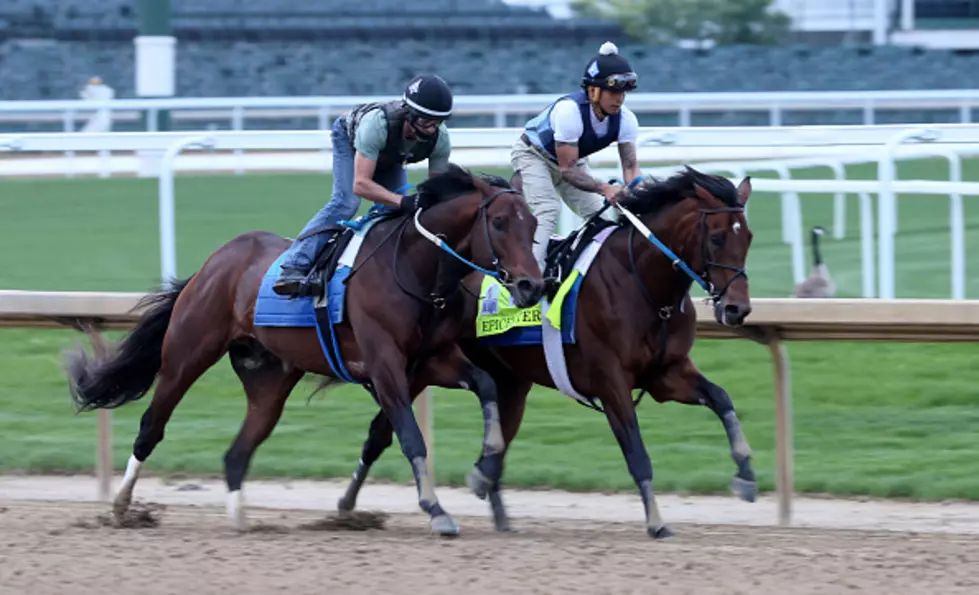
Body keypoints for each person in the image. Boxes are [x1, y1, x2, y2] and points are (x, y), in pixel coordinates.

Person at [272, 74, 455, 296]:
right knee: (346, 202)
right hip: (350, 141)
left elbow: (438, 190)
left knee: (396, 213)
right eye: (427, 122)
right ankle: (295, 264)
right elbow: (360, 184)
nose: (432, 129)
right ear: (410, 114)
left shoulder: (440, 139)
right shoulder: (376, 125)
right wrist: (404, 200)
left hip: (392, 154)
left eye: (438, 123)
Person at [511, 41, 643, 272]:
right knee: (549, 208)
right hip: (534, 155)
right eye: (613, 92)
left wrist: (637, 198)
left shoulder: (626, 119)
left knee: (599, 219)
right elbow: (567, 171)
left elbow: (631, 168)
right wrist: (605, 189)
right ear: (593, 91)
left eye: (623, 92)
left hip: (571, 160)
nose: (619, 99)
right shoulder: (569, 112)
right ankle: (530, 274)